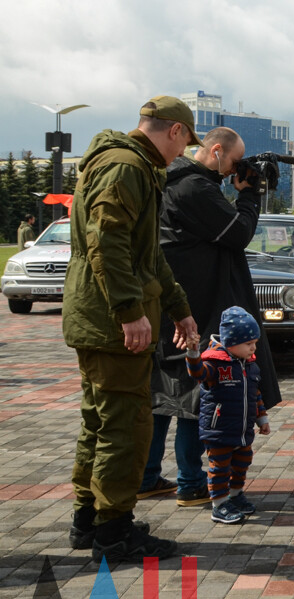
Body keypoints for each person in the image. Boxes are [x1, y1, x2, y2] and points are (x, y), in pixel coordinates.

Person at [63, 95, 200, 562]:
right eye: (183, 144)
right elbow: (107, 242)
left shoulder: (130, 165)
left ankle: (91, 519)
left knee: (99, 421)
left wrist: (179, 308)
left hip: (98, 318)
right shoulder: (127, 168)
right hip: (109, 321)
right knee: (126, 424)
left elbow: (148, 254)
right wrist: (128, 311)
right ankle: (113, 532)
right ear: (175, 131)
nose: (181, 155)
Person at [141, 126, 281, 509]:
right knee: (192, 397)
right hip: (197, 306)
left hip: (179, 300)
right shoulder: (194, 189)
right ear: (216, 150)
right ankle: (190, 482)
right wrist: (249, 195)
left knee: (163, 395)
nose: (235, 170)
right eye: (234, 161)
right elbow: (238, 233)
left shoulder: (178, 182)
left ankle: (147, 476)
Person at [188, 306, 270, 525]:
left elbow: (255, 394)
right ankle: (219, 504)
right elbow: (198, 373)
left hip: (242, 430)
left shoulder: (249, 365)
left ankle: (235, 495)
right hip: (218, 429)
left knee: (242, 462)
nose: (253, 348)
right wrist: (193, 353)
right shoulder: (214, 364)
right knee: (220, 467)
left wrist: (262, 417)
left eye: (255, 343)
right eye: (248, 344)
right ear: (231, 342)